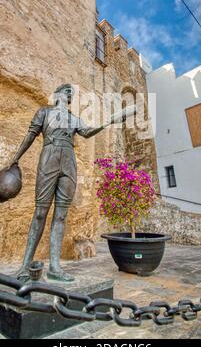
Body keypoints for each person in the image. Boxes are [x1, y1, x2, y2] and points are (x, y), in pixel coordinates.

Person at [11, 84, 122, 282]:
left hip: (69, 161)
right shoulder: (44, 112)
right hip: (49, 156)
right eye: (66, 90)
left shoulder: (73, 118)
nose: (70, 93)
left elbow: (87, 132)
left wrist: (109, 121)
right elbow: (30, 135)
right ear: (57, 95)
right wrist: (15, 158)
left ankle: (54, 266)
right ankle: (24, 266)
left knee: (61, 215)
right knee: (40, 212)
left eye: (71, 92)